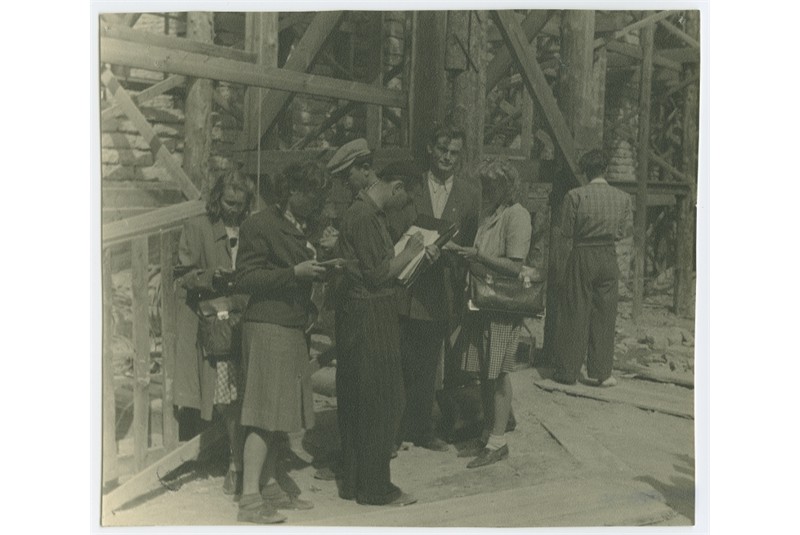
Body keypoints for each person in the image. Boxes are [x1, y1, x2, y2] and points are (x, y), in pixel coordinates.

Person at [234, 161, 331, 524]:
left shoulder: (299, 226)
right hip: (268, 326)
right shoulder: (259, 224)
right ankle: (249, 501)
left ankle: (271, 484)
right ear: (291, 191)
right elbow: (245, 276)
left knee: (281, 414)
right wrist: (295, 273)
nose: (317, 204)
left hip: (290, 326)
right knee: (262, 414)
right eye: (311, 195)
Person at [334, 161, 425, 507]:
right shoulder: (366, 217)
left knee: (360, 397)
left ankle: (355, 481)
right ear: (397, 186)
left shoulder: (358, 212)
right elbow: (377, 273)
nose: (399, 207)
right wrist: (411, 253)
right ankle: (375, 489)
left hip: (360, 313)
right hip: (373, 313)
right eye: (403, 199)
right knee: (383, 400)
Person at [389, 124, 481, 452]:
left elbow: (472, 239)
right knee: (400, 359)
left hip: (442, 289)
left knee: (429, 363)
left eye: (454, 153)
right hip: (407, 287)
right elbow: (393, 231)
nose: (447, 158)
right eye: (442, 150)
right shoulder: (411, 188)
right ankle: (394, 431)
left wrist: (458, 258)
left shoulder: (470, 194)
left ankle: (422, 429)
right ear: (430, 148)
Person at [174, 168, 254, 495]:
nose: (232, 209)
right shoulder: (198, 228)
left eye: (239, 203)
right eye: (227, 201)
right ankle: (229, 459)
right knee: (223, 394)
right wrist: (210, 276)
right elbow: (182, 276)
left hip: (246, 317)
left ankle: (243, 460)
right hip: (215, 323)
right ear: (217, 198)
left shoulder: (252, 228)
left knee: (247, 389)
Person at [448, 158, 532, 468]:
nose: (486, 190)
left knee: (497, 374)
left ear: (507, 187)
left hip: (501, 305)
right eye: (484, 185)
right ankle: (489, 432)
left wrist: (478, 256)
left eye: (492, 185)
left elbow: (515, 265)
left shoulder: (517, 215)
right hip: (481, 301)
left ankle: (498, 440)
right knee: (484, 371)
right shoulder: (491, 215)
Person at [552, 149, 633, 387]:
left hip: (583, 253)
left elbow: (566, 230)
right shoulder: (623, 197)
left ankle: (568, 372)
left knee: (576, 310)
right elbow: (621, 232)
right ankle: (602, 372)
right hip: (608, 256)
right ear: (605, 169)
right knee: (605, 314)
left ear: (586, 172)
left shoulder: (575, 196)